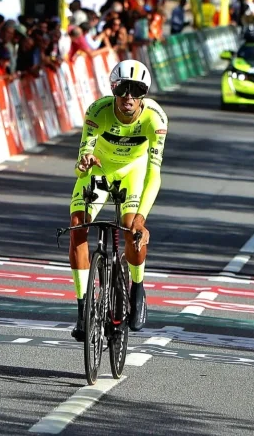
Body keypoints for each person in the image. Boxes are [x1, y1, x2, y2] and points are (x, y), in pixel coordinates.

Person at [68, 60, 168, 341]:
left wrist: (141, 218)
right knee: (77, 226)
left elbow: (154, 174)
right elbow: (80, 165)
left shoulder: (156, 119)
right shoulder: (97, 111)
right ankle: (82, 309)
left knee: (131, 231)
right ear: (113, 89)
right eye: (122, 89)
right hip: (100, 170)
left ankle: (137, 287)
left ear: (144, 94)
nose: (128, 96)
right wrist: (84, 164)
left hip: (132, 173)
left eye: (136, 90)